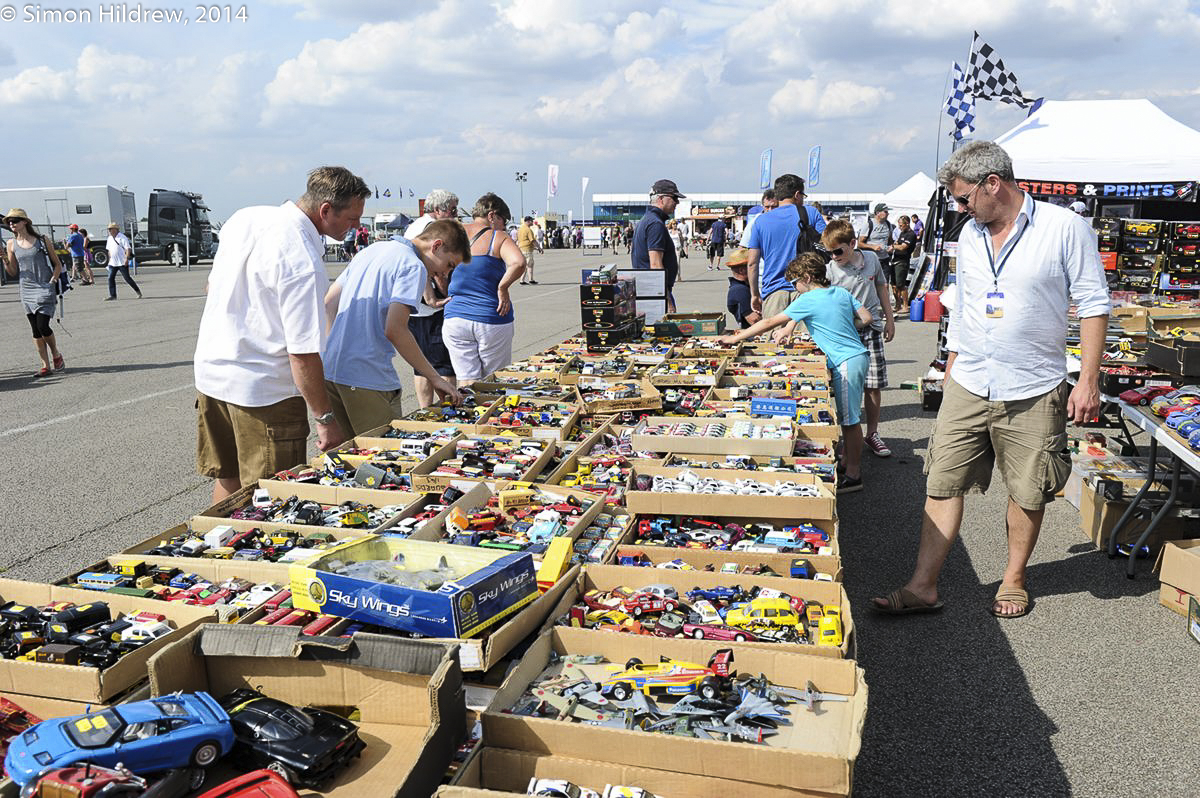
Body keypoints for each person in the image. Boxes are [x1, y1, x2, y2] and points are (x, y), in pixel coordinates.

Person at [872, 140, 1110, 619]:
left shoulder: (1065, 228)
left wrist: (1087, 380)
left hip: (1034, 385)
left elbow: (1094, 303)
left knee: (1027, 488)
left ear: (993, 184)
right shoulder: (973, 234)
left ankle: (1014, 579)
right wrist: (951, 362)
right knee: (941, 480)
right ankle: (923, 586)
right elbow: (965, 302)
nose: (960, 208)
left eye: (964, 198)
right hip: (970, 378)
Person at [193, 165, 371, 502]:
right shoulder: (302, 259)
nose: (357, 227)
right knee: (272, 500)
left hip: (212, 375)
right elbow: (302, 353)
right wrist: (326, 419)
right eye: (352, 218)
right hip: (263, 393)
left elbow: (211, 285)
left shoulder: (246, 218)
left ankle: (210, 549)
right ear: (325, 210)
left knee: (228, 479)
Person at [719, 252, 871, 493]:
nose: (795, 288)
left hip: (844, 362)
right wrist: (841, 328)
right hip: (858, 357)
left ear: (807, 278)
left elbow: (769, 322)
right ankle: (845, 462)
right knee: (848, 417)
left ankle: (853, 473)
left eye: (795, 283)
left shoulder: (808, 298)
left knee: (849, 421)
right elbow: (866, 317)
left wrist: (736, 336)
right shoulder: (841, 293)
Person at [323, 220, 468, 436]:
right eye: (449, 264)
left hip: (333, 372)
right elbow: (396, 330)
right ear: (436, 246)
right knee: (382, 455)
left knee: (352, 457)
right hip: (367, 377)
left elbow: (330, 302)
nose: (445, 274)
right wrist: (435, 377)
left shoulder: (372, 250)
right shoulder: (412, 265)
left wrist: (335, 349)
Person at [822, 220, 894, 459]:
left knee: (873, 385)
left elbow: (882, 287)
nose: (833, 256)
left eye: (838, 251)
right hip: (845, 332)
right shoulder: (831, 269)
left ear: (853, 244)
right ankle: (849, 437)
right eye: (829, 252)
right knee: (846, 387)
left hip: (872, 327)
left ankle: (872, 433)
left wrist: (890, 320)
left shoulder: (872, 259)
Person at [442, 193, 526, 386]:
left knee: (466, 380)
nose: (504, 226)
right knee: (493, 380)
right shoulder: (497, 237)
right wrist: (503, 287)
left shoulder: (454, 233)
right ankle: (491, 415)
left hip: (455, 318)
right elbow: (519, 263)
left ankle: (469, 415)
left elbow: (435, 269)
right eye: (503, 221)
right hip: (491, 317)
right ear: (492, 215)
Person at [404, 189, 460, 409]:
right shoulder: (429, 229)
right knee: (444, 365)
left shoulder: (416, 225)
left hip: (417, 309)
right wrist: (432, 298)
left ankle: (425, 409)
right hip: (429, 311)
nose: (455, 215)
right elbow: (422, 266)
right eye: (452, 210)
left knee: (422, 364)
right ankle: (448, 409)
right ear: (437, 210)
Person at [746, 173, 827, 319]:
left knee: (773, 340)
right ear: (797, 194)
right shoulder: (811, 213)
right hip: (807, 290)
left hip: (773, 292)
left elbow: (752, 263)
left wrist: (754, 294)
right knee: (806, 341)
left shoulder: (761, 221)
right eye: (803, 195)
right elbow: (828, 247)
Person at [4, 208, 66, 377]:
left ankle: (56, 354)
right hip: (26, 289)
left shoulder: (42, 240)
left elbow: (57, 264)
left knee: (43, 326)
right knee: (35, 330)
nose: (11, 224)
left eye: (15, 220)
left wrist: (52, 281)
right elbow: (12, 271)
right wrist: (4, 259)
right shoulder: (11, 244)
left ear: (25, 222)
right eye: (9, 221)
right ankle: (45, 365)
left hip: (45, 287)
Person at [632, 179, 684, 313]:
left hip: (650, 290)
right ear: (661, 199)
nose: (677, 202)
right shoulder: (655, 224)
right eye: (674, 198)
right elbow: (655, 265)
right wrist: (667, 301)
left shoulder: (648, 219)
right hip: (655, 292)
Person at [858, 203, 895, 284]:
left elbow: (890, 241)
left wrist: (891, 247)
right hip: (871, 259)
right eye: (885, 212)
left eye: (888, 212)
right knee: (871, 285)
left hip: (885, 259)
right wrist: (873, 247)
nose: (888, 214)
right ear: (878, 213)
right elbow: (859, 244)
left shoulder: (888, 224)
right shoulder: (869, 224)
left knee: (885, 284)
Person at [104, 222, 141, 300]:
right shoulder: (109, 238)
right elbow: (109, 250)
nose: (110, 231)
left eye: (111, 229)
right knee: (110, 278)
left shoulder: (122, 237)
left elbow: (128, 248)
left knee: (127, 278)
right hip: (112, 263)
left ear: (116, 229)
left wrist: (126, 259)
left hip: (122, 262)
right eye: (109, 229)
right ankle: (113, 295)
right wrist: (109, 259)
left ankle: (137, 291)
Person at [725, 248, 759, 329]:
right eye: (752, 266)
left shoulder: (742, 287)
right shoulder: (739, 290)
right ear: (742, 270)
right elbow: (754, 320)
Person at [890, 215, 918, 312]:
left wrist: (893, 246)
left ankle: (905, 306)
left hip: (903, 261)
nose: (899, 227)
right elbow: (897, 243)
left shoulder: (911, 234)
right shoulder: (902, 233)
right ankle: (898, 305)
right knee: (893, 285)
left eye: (901, 225)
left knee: (900, 285)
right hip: (895, 259)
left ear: (907, 224)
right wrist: (895, 245)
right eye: (899, 225)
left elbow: (902, 247)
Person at [516, 216, 542, 285]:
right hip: (527, 250)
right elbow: (533, 240)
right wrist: (539, 248)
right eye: (531, 221)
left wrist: (534, 248)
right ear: (528, 221)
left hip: (521, 249)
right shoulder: (528, 230)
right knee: (530, 265)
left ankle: (522, 280)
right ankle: (531, 279)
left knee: (525, 265)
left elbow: (522, 240)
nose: (532, 222)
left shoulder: (520, 229)